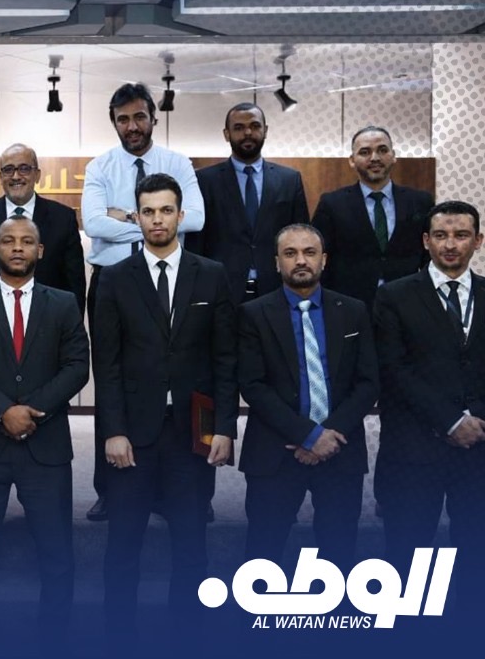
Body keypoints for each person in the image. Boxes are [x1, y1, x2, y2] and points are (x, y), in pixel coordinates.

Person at [93, 173, 235, 644]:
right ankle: (118, 639)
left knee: (192, 546)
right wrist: (113, 431)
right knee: (123, 546)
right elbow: (106, 364)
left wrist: (224, 428)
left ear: (180, 215)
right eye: (148, 211)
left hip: (193, 433)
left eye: (166, 210)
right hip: (133, 434)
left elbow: (224, 359)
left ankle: (187, 638)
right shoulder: (114, 278)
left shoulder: (211, 274)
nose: (157, 220)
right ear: (137, 217)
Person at [0, 216, 89, 655]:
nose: (17, 247)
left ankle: (54, 643)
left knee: (57, 556)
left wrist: (30, 413)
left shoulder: (63, 303)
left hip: (45, 448)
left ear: (39, 251)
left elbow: (77, 367)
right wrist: (2, 412)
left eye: (27, 241)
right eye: (8, 241)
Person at [80, 83, 205, 522]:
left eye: (138, 117)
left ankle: (179, 491)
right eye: (123, 119)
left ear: (153, 117)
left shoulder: (177, 163)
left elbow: (198, 218)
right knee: (112, 377)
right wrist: (155, 225)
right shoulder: (100, 166)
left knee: (178, 376)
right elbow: (92, 223)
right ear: (114, 123)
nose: (131, 126)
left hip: (169, 278)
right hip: (113, 284)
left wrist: (126, 217)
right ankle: (109, 489)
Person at [237, 224, 378, 567]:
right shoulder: (253, 314)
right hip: (275, 451)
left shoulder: (353, 310)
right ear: (277, 262)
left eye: (309, 252)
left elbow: (368, 382)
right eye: (290, 253)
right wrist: (309, 435)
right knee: (263, 557)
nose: (300, 260)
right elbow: (253, 385)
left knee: (339, 555)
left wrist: (329, 434)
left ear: (324, 260)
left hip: (339, 448)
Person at [373, 200, 485, 625]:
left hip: (479, 451)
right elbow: (393, 370)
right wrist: (451, 421)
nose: (450, 244)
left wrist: (475, 419)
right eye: (441, 235)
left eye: (460, 235)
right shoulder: (394, 296)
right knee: (407, 557)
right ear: (426, 241)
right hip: (414, 450)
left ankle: (469, 634)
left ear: (478, 241)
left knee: (476, 553)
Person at [189, 103, 310, 306]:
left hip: (277, 290)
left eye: (255, 126)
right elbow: (196, 243)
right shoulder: (204, 181)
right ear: (226, 134)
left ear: (265, 130)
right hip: (222, 291)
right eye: (239, 127)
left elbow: (302, 236)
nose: (247, 133)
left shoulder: (289, 180)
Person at [312, 125, 433, 310]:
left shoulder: (420, 201)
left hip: (408, 303)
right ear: (352, 160)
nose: (375, 158)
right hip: (349, 306)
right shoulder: (332, 204)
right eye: (365, 152)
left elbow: (429, 256)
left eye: (382, 150)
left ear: (393, 155)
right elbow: (320, 257)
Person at [0, 143, 85, 309]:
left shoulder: (63, 218)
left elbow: (75, 282)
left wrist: (72, 321)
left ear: (37, 175)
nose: (16, 176)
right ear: (0, 177)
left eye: (24, 169)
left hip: (47, 317)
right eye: (8, 169)